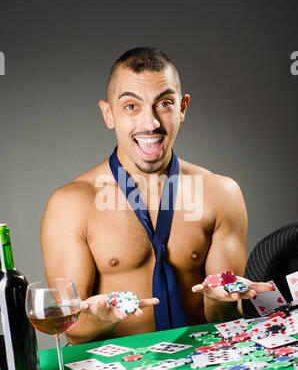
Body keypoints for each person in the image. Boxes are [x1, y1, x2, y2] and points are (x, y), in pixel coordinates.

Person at [40, 47, 273, 345]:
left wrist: (221, 300)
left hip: (206, 366)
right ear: (108, 113)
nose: (150, 123)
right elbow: (72, 330)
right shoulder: (70, 205)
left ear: (183, 107)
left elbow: (224, 322)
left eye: (164, 103)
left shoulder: (221, 194)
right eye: (131, 107)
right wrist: (101, 317)